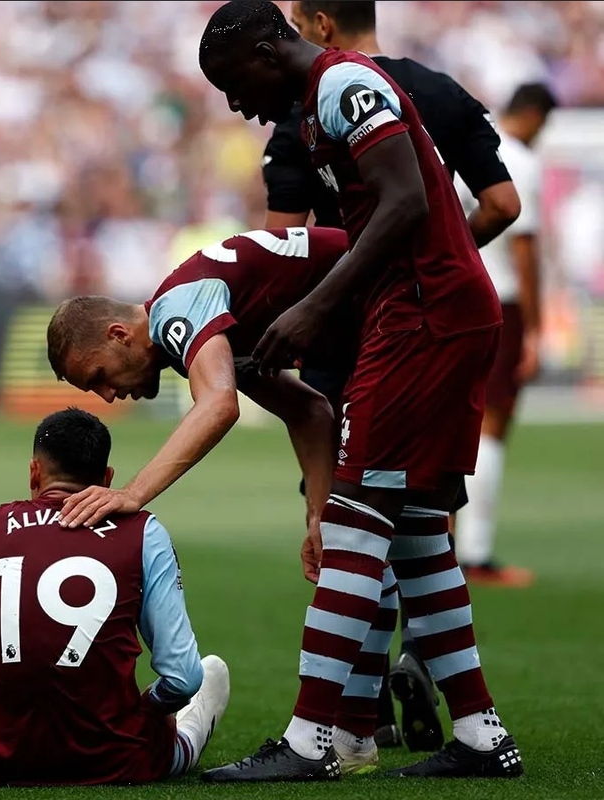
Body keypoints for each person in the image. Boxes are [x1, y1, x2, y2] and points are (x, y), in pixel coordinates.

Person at [188, 0, 521, 780]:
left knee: (351, 517)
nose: (237, 106)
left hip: (421, 315)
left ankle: (312, 742)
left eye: (235, 84)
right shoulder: (317, 107)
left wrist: (317, 304)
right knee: (410, 532)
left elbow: (404, 201)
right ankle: (478, 734)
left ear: (271, 50)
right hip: (426, 310)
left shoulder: (345, 86)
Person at [48, 225, 404, 777]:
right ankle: (373, 734)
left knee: (403, 535)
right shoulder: (216, 322)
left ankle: (361, 737)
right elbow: (309, 411)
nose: (109, 396)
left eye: (98, 377)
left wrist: (131, 493)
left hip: (411, 312)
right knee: (387, 534)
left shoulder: (176, 309)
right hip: (401, 317)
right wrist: (316, 512)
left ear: (120, 334)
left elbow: (219, 405)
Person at [0, 407, 231, 786]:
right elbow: (183, 679)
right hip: (120, 761)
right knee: (208, 674)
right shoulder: (144, 532)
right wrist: (149, 709)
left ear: (34, 472)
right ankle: (176, 741)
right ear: (108, 478)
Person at [454, 83, 557, 586]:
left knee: (452, 422)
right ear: (536, 116)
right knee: (493, 424)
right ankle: (475, 552)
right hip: (502, 301)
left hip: (457, 297)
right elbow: (523, 249)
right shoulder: (519, 159)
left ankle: (444, 540)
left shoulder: (467, 142)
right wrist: (536, 330)